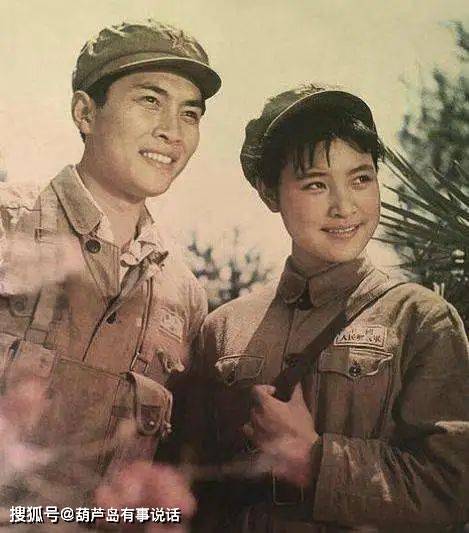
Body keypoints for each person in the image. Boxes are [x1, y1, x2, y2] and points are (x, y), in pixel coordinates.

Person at [190, 84, 469, 532]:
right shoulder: (223, 329)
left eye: (361, 179)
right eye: (316, 184)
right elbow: (191, 488)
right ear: (269, 193)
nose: (344, 207)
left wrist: (315, 460)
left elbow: (453, 491)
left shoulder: (421, 319)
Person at [0, 19, 220, 508]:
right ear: (85, 112)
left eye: (190, 113)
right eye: (150, 100)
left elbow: (170, 478)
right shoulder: (7, 225)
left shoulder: (184, 295)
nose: (171, 131)